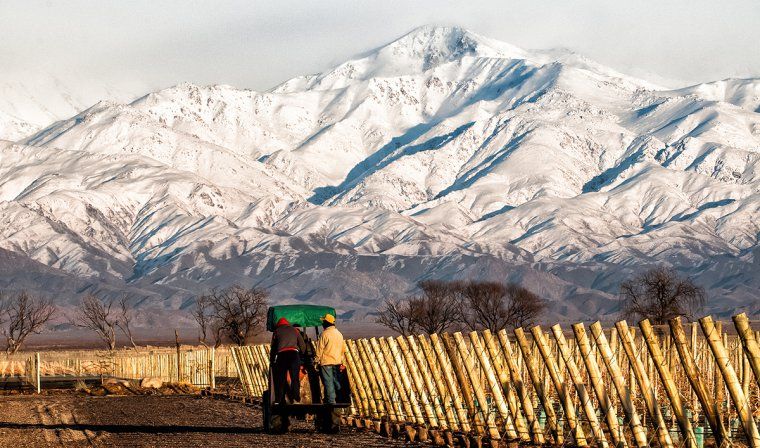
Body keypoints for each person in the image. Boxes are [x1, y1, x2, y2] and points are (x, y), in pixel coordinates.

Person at [270, 317, 306, 404]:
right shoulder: (295, 330)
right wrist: (301, 355)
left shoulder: (276, 332)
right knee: (295, 378)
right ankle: (296, 397)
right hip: (294, 355)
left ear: (278, 325)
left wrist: (272, 360)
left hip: (282, 356)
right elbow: (303, 345)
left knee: (281, 379)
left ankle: (279, 399)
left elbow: (273, 348)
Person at [315, 313, 344, 404]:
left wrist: (316, 360)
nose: (322, 323)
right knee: (336, 381)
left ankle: (331, 402)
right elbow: (342, 349)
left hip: (326, 362)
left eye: (323, 321)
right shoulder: (339, 334)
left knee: (328, 382)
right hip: (337, 361)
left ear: (327, 322)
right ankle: (340, 398)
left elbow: (319, 349)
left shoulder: (324, 334)